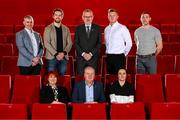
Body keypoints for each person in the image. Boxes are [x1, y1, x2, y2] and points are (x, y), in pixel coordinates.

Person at [44, 8, 72, 76]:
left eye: (59, 15)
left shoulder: (66, 29)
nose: (58, 17)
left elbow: (70, 43)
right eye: (56, 15)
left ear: (62, 17)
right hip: (51, 57)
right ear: (53, 16)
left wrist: (63, 53)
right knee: (51, 76)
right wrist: (56, 54)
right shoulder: (48, 28)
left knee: (62, 76)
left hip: (63, 57)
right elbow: (46, 43)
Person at [104, 8, 132, 74]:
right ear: (108, 17)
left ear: (117, 16)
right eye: (110, 15)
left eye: (114, 15)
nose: (112, 17)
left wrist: (123, 54)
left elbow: (129, 43)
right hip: (109, 57)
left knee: (119, 78)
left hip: (119, 57)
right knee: (109, 78)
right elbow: (106, 43)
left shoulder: (122, 28)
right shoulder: (106, 29)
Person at [74, 9, 101, 75]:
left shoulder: (97, 28)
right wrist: (83, 54)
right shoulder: (78, 28)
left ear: (92, 17)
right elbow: (76, 43)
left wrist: (91, 54)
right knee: (81, 78)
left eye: (90, 16)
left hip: (93, 58)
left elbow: (99, 43)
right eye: (86, 17)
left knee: (92, 78)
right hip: (81, 59)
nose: (88, 18)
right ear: (83, 17)